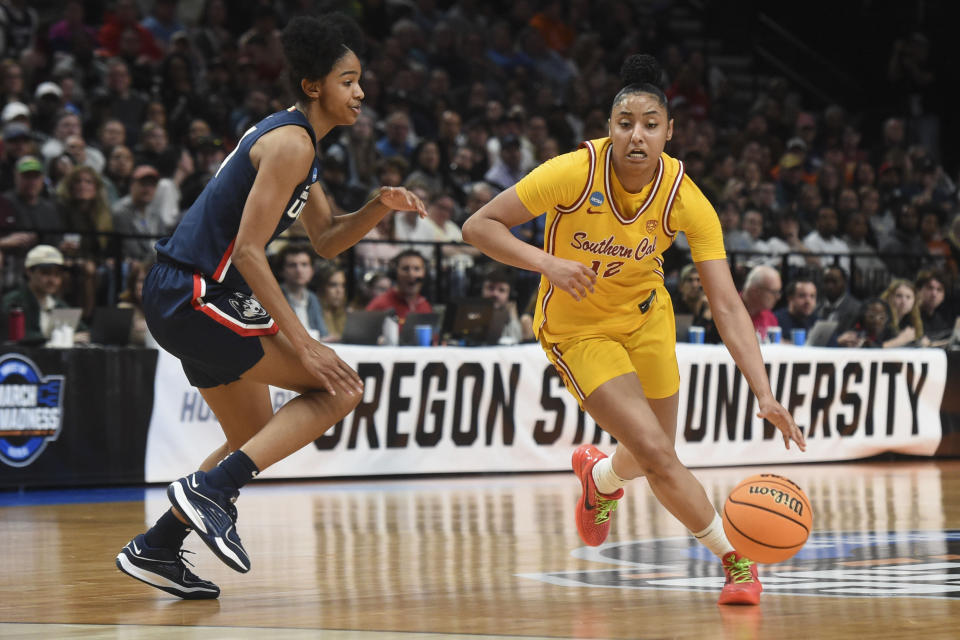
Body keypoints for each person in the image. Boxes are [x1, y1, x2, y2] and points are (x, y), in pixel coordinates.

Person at [461, 54, 805, 606]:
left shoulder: (685, 197)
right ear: (609, 128)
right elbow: (478, 225)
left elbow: (728, 305)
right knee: (655, 452)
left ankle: (600, 481)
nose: (637, 135)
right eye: (625, 123)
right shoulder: (572, 172)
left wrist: (763, 393)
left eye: (650, 124)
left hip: (647, 319)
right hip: (578, 329)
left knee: (654, 452)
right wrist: (548, 264)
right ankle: (736, 561)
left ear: (670, 131)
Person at [114, 14, 427, 600]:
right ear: (313, 86)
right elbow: (253, 252)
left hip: (191, 294)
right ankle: (213, 493)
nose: (361, 92)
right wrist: (303, 340)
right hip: (196, 290)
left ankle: (157, 545)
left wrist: (379, 207)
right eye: (348, 80)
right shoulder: (291, 143)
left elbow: (328, 238)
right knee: (340, 387)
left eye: (360, 80)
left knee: (255, 434)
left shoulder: (297, 145)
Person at [365, 248, 432, 324]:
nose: (411, 274)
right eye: (405, 269)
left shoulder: (425, 306)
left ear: (424, 274)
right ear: (395, 273)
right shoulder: (379, 305)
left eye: (416, 269)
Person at [773, 276, 819, 342]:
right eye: (802, 295)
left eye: (812, 296)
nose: (808, 301)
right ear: (790, 298)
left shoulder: (817, 322)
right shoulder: (775, 319)